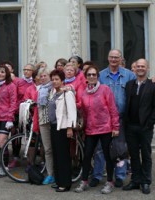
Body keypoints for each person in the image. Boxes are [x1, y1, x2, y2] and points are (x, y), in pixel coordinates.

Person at [91, 49, 136, 188]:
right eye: (111, 57)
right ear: (108, 58)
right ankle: (98, 175)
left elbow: (137, 90)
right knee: (99, 149)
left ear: (120, 59)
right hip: (102, 120)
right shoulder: (101, 75)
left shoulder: (130, 75)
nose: (114, 59)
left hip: (121, 118)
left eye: (116, 57)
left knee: (120, 148)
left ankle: (120, 176)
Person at [74, 65, 119, 194]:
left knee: (107, 156)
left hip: (105, 128)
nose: (92, 77)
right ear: (86, 77)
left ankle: (110, 181)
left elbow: (113, 109)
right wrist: (69, 95)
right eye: (89, 75)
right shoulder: (83, 93)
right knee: (87, 156)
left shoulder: (105, 90)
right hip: (90, 129)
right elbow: (81, 109)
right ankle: (84, 181)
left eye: (94, 74)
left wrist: (115, 127)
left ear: (98, 76)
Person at [123, 58, 155, 194]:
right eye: (138, 66)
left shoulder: (153, 85)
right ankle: (135, 180)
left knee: (146, 155)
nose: (140, 68)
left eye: (143, 66)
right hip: (131, 126)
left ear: (147, 69)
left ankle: (146, 181)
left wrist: (150, 123)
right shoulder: (129, 84)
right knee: (134, 155)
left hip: (145, 127)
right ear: (134, 69)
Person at [48, 69, 76, 192]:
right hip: (54, 127)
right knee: (56, 155)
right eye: (53, 79)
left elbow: (71, 111)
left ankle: (65, 183)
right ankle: (59, 180)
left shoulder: (67, 93)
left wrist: (70, 127)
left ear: (62, 80)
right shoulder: (54, 93)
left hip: (63, 127)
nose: (54, 81)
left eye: (57, 79)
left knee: (63, 156)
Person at [36, 67, 55, 185]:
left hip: (53, 122)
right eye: (41, 76)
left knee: (57, 149)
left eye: (45, 76)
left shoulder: (53, 88)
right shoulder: (39, 89)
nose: (43, 78)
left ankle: (59, 173)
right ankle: (50, 174)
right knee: (47, 149)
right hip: (43, 121)